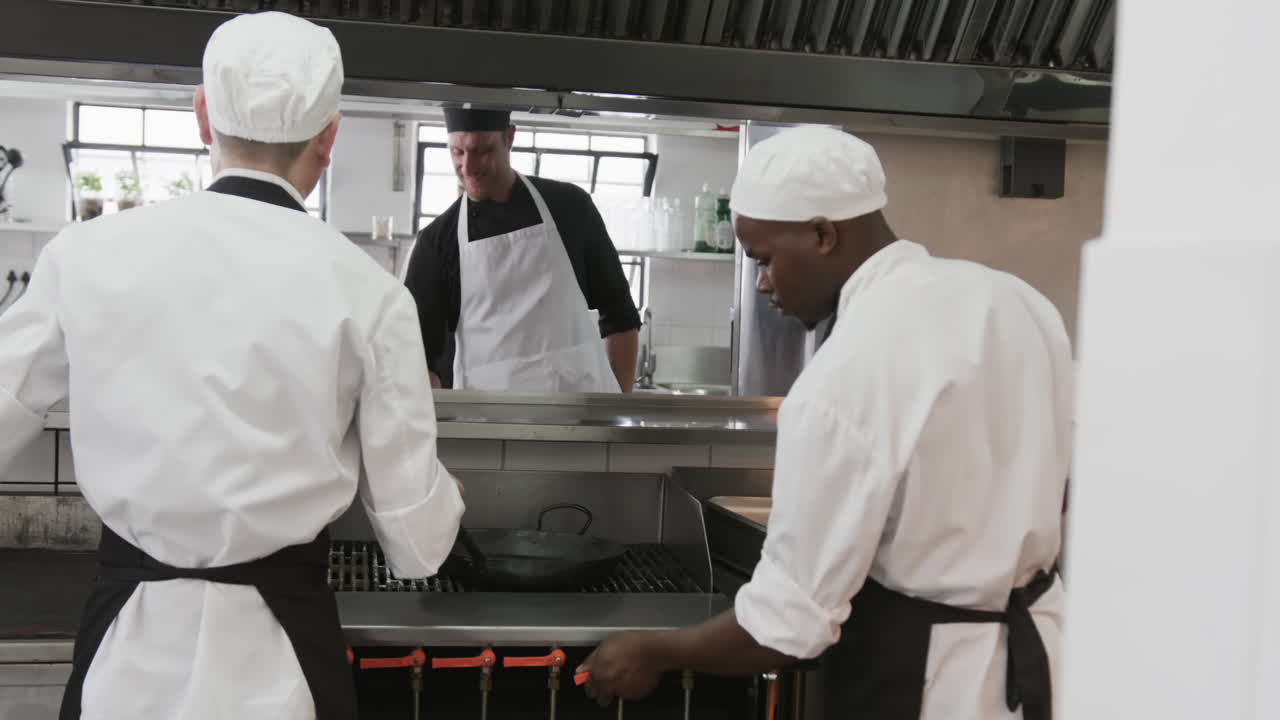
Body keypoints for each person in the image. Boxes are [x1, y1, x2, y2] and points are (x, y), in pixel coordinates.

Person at [0, 12, 464, 720]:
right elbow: (416, 542)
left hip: (126, 661)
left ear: (202, 117)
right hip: (281, 667)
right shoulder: (369, 291)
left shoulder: (85, 256)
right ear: (329, 137)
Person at [578, 126, 1072, 720]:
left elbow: (788, 624)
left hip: (926, 683)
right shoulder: (1014, 299)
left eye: (764, 259)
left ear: (822, 234)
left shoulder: (846, 371)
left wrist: (650, 651)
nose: (761, 284)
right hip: (1045, 666)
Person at [402, 107, 642, 393]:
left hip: (579, 425)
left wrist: (616, 415)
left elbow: (621, 318)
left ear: (509, 137)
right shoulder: (436, 242)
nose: (468, 167)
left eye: (482, 151)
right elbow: (418, 359)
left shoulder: (570, 208)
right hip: (488, 428)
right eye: (457, 152)